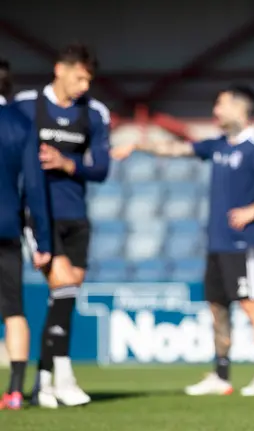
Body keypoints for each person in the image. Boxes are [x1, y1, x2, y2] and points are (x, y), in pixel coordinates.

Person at [110, 84, 254, 397]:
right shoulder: (219, 145)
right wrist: (138, 145)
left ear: (240, 108)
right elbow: (177, 149)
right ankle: (221, 376)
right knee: (217, 308)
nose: (216, 111)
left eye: (220, 105)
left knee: (252, 306)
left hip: (242, 243)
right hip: (217, 243)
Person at [11, 43, 111, 408]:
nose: (84, 85)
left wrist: (66, 163)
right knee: (64, 286)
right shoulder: (25, 105)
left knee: (64, 299)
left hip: (76, 216)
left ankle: (44, 381)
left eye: (89, 79)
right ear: (60, 69)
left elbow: (101, 168)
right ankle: (64, 376)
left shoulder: (95, 113)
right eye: (79, 77)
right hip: (38, 214)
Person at [0, 93, 53, 411]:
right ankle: (16, 392)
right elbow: (35, 186)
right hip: (7, 228)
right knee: (14, 312)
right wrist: (43, 240)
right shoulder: (20, 124)